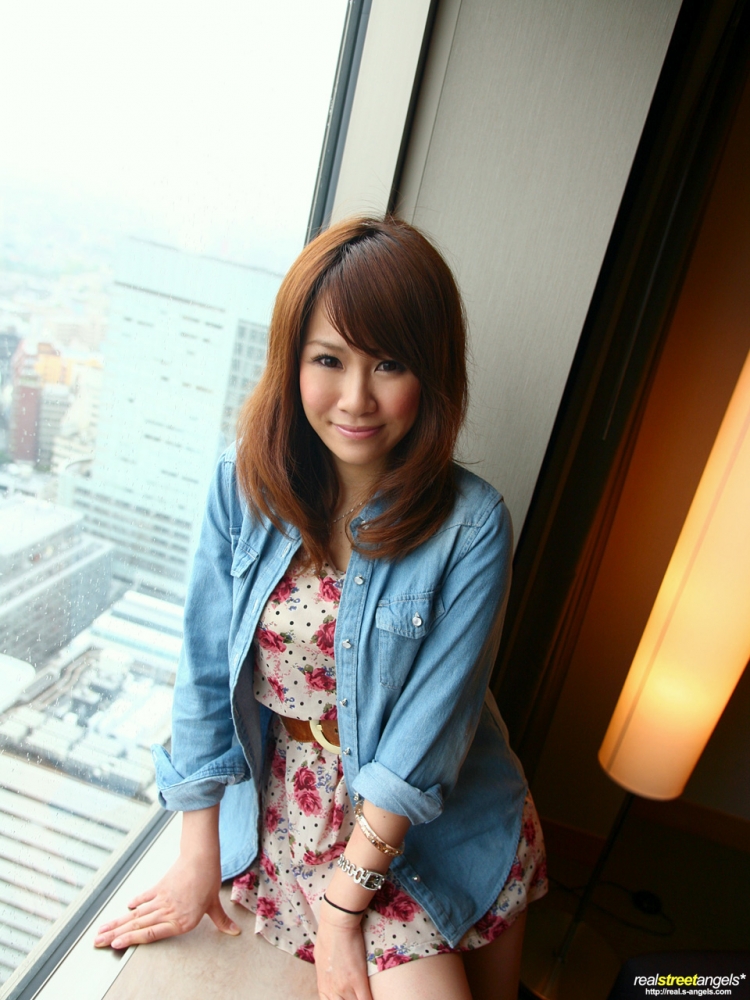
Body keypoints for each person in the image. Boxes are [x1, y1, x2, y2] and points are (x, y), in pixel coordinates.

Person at [95, 217, 547, 999]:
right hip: (287, 808)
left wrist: (343, 912)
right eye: (329, 360)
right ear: (292, 361)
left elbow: (423, 741)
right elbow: (204, 670)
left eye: (390, 364)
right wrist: (198, 851)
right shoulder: (241, 484)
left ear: (432, 373)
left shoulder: (471, 526)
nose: (356, 398)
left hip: (420, 827)